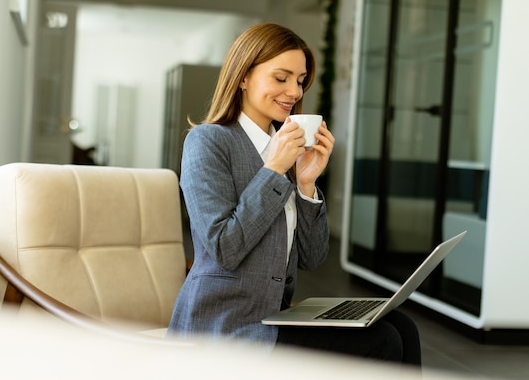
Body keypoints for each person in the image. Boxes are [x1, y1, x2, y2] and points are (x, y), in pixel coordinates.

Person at [167, 22, 421, 367]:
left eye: (300, 81)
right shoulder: (208, 142)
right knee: (382, 341)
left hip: (272, 316)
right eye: (281, 78)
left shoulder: (287, 148)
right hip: (223, 325)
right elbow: (224, 247)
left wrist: (306, 184)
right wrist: (273, 170)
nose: (294, 92)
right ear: (243, 77)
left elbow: (312, 258)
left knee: (402, 326)